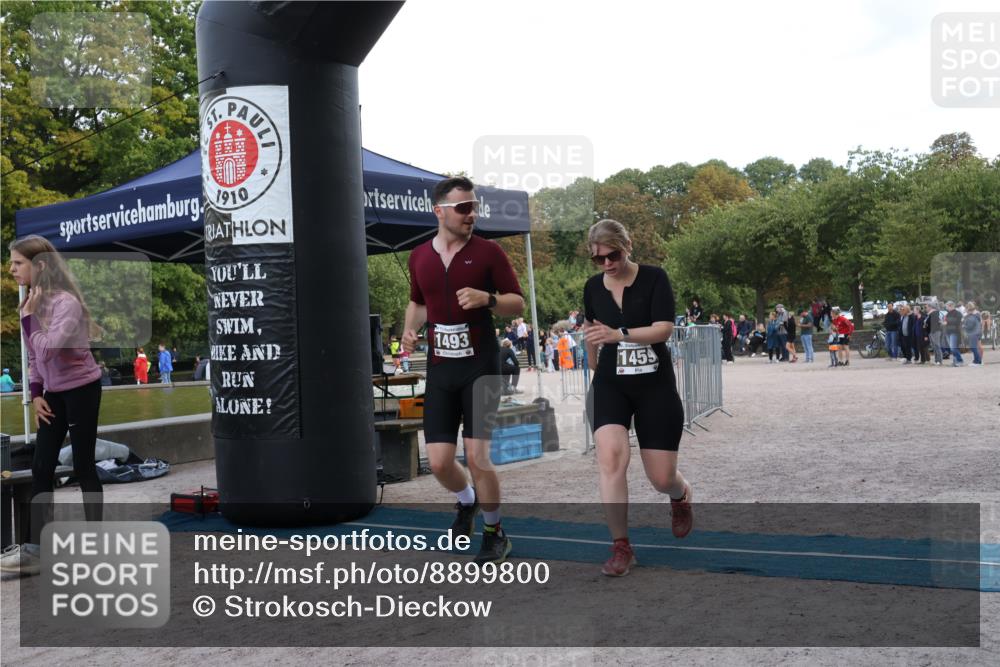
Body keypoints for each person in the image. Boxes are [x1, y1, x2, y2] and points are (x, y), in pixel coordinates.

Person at [401, 176, 524, 565]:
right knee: (438, 461)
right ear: (439, 211)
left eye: (474, 207)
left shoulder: (489, 254)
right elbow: (418, 302)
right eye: (463, 208)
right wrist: (410, 328)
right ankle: (466, 501)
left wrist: (488, 298)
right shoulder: (419, 256)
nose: (472, 214)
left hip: (481, 367)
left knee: (477, 457)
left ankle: (495, 531)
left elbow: (517, 303)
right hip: (441, 368)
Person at [582, 219, 691, 577]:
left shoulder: (655, 278)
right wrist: (595, 364)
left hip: (654, 386)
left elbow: (664, 329)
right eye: (599, 259)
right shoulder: (592, 288)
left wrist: (620, 334)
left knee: (661, 478)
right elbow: (593, 333)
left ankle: (679, 495)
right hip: (611, 385)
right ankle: (621, 546)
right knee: (611, 457)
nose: (607, 264)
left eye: (612, 256)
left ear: (627, 246)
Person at [2, 235, 104, 575]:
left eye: (18, 263)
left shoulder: (65, 305)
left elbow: (48, 350)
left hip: (82, 390)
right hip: (54, 395)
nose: (11, 269)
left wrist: (30, 318)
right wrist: (36, 394)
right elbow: (34, 358)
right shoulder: (30, 305)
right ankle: (36, 550)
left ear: (40, 266)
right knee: (41, 467)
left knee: (84, 465)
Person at [944, 301, 964, 367]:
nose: (946, 308)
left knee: (953, 348)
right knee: (953, 348)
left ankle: (960, 360)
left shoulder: (958, 313)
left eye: (947, 306)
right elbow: (946, 321)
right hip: (948, 332)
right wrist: (943, 322)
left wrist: (947, 322)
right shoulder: (948, 313)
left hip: (955, 332)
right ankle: (955, 361)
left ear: (951, 306)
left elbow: (957, 321)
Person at [963, 302, 983, 367]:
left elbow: (970, 325)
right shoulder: (977, 314)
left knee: (973, 347)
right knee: (975, 347)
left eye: (966, 309)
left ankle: (977, 361)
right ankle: (977, 361)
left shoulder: (973, 316)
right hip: (978, 332)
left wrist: (964, 326)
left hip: (973, 333)